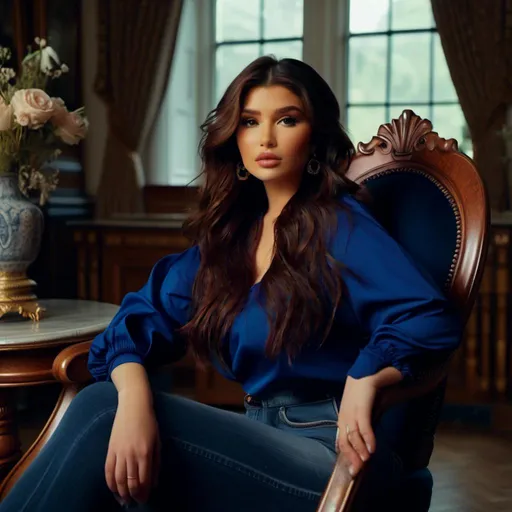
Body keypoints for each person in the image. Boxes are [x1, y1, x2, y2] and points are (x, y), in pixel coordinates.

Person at [0, 56, 462, 512]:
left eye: (287, 119)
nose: (265, 138)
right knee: (118, 436)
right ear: (233, 138)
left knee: (101, 411)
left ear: (314, 136)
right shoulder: (232, 241)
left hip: (332, 451)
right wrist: (135, 398)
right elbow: (137, 320)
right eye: (249, 121)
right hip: (258, 434)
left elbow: (428, 315)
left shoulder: (341, 228)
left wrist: (365, 377)